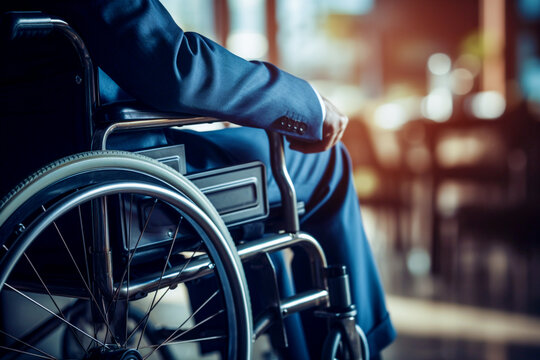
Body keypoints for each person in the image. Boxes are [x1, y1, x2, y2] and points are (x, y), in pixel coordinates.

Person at [1, 0, 396, 358]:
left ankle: (276, 342)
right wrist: (305, 103)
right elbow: (175, 67)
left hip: (24, 204)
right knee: (327, 162)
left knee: (250, 195)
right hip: (116, 182)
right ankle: (357, 347)